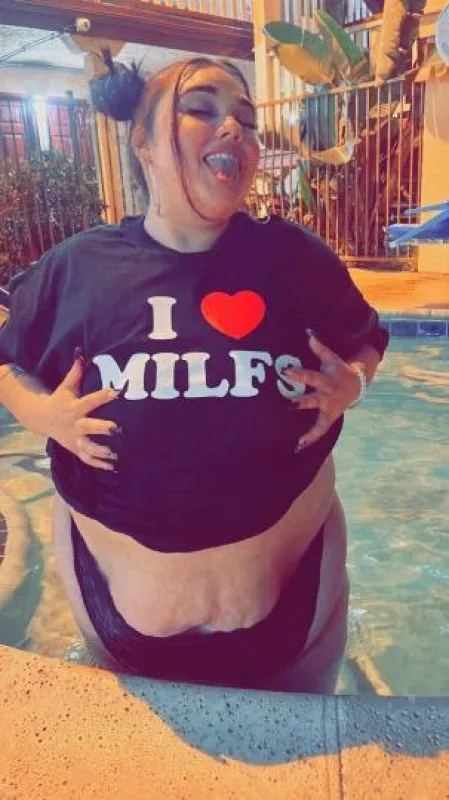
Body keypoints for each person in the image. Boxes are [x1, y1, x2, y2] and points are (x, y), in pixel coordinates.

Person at [0, 55, 388, 692]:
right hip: (116, 619)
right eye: (201, 110)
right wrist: (42, 413)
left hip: (299, 607)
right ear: (144, 144)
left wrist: (356, 383)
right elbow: (6, 357)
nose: (234, 128)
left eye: (247, 121)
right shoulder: (79, 270)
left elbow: (367, 337)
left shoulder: (294, 259)